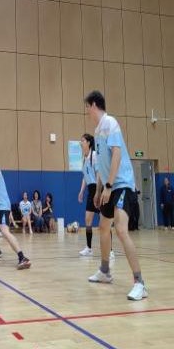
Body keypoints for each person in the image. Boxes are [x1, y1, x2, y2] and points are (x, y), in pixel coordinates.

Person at [85, 90, 147, 301]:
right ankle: (105, 271)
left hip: (122, 185)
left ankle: (140, 283)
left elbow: (117, 155)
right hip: (109, 185)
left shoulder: (110, 123)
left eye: (87, 107)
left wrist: (110, 186)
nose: (87, 111)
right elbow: (102, 164)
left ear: (94, 105)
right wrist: (99, 189)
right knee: (103, 227)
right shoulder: (97, 131)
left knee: (120, 230)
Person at [78, 134, 114, 259]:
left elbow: (99, 173)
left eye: (82, 140)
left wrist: (99, 192)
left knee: (104, 221)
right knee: (88, 220)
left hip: (99, 189)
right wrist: (81, 191)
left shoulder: (94, 156)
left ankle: (110, 250)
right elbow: (85, 176)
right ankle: (89, 248)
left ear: (88, 142)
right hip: (90, 190)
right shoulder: (84, 158)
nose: (80, 142)